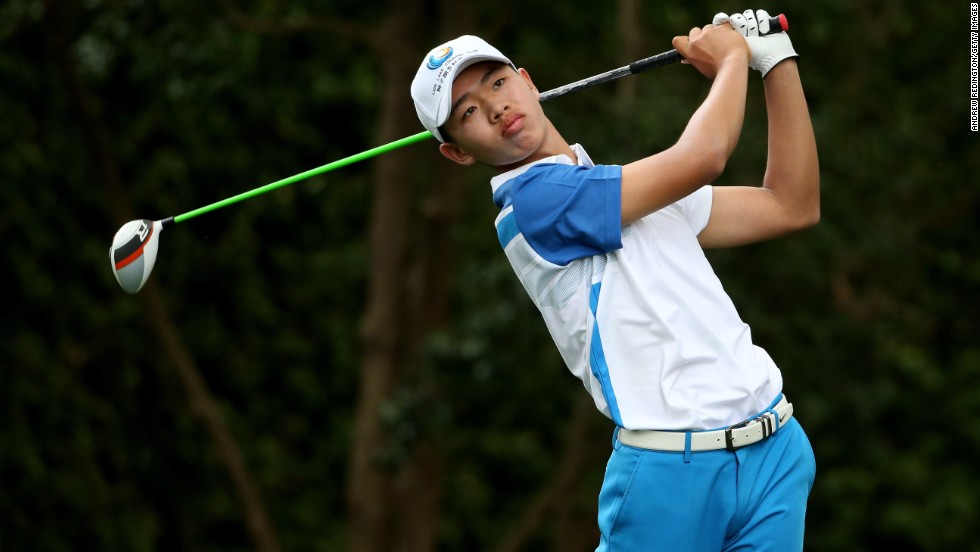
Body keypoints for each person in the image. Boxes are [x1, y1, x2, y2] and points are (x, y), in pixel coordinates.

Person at [410, 8, 818, 551]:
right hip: (672, 474)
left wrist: (775, 60)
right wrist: (732, 60)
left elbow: (789, 204)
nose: (496, 107)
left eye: (498, 83)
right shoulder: (534, 206)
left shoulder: (625, 189)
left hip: (775, 450)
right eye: (468, 112)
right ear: (457, 151)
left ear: (528, 82)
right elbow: (705, 156)